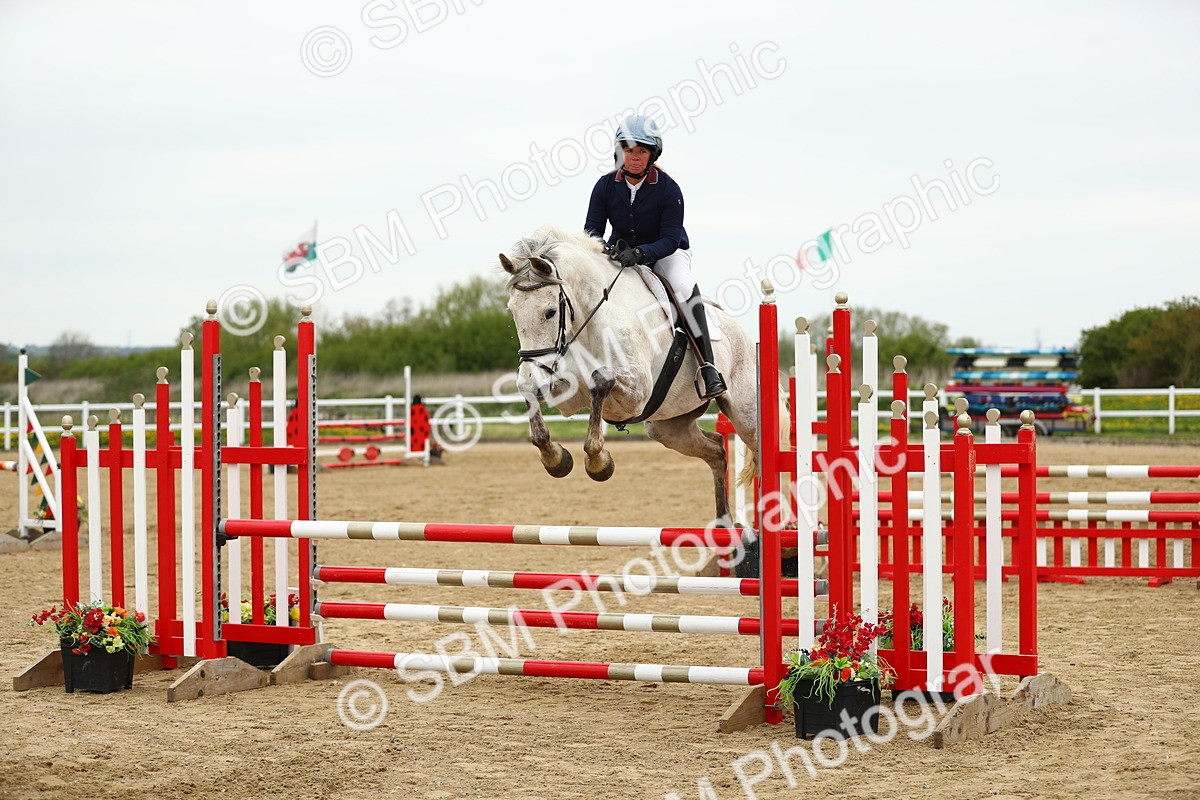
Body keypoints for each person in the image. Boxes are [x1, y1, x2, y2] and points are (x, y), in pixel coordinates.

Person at [584, 115, 727, 400]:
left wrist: (641, 253)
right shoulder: (604, 186)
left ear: (652, 155)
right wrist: (604, 252)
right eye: (629, 150)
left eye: (642, 151)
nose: (634, 157)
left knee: (681, 285)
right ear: (619, 153)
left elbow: (670, 239)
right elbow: (592, 232)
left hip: (667, 252)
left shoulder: (669, 189)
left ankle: (708, 367)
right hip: (622, 252)